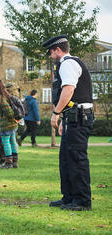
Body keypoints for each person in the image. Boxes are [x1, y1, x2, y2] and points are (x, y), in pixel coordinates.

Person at [43, 34, 94, 211]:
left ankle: (82, 201)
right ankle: (69, 197)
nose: (50, 57)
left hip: (79, 117)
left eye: (50, 52)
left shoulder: (67, 64)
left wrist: (56, 113)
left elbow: (69, 90)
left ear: (57, 50)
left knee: (77, 159)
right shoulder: (69, 63)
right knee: (66, 158)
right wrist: (65, 118)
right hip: (74, 116)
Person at [0, 80, 19, 169]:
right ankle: (15, 162)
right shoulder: (6, 95)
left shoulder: (0, 97)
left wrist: (12, 117)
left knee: (6, 143)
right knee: (13, 142)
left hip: (6, 125)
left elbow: (8, 111)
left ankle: (9, 163)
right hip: (12, 124)